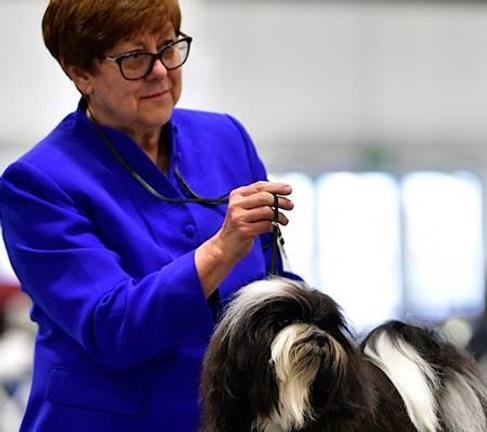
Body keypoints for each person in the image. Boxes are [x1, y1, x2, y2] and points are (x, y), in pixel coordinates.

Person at [0, 1, 299, 430]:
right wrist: (220, 250)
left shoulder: (226, 138)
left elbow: (271, 277)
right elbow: (111, 328)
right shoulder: (37, 183)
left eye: (168, 47)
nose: (160, 71)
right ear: (80, 73)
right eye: (134, 58)